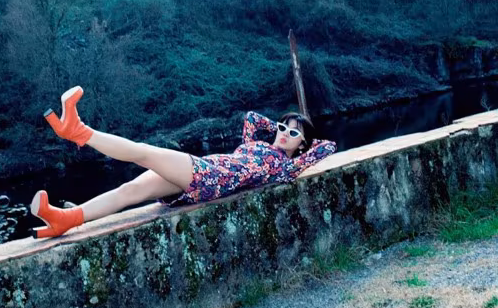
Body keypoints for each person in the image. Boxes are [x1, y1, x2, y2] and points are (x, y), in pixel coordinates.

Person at [31, 86, 337, 238]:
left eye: (292, 133)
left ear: (302, 145)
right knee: (129, 190)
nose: (284, 134)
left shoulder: (285, 166)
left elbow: (327, 147)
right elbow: (251, 118)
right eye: (282, 128)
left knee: (144, 152)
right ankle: (66, 220)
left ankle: (79, 131)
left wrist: (300, 141)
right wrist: (279, 127)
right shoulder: (253, 143)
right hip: (203, 172)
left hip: (210, 178)